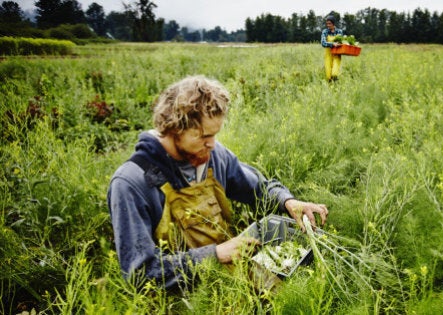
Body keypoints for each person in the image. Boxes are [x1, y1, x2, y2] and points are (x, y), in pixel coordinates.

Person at [107, 75, 329, 290]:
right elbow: (140, 273)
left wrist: (288, 202)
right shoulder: (130, 183)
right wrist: (215, 255)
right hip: (179, 299)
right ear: (175, 129)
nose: (212, 144)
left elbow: (258, 188)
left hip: (229, 280)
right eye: (203, 137)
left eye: (214, 135)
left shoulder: (214, 156)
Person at [321, 15, 343, 81]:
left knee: (334, 74)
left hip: (337, 54)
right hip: (328, 55)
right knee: (328, 76)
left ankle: (336, 85)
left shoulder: (339, 31)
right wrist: (332, 44)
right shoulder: (325, 31)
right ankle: (330, 88)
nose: (328, 25)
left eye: (329, 23)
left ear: (333, 23)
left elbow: (341, 43)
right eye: (327, 24)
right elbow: (323, 43)